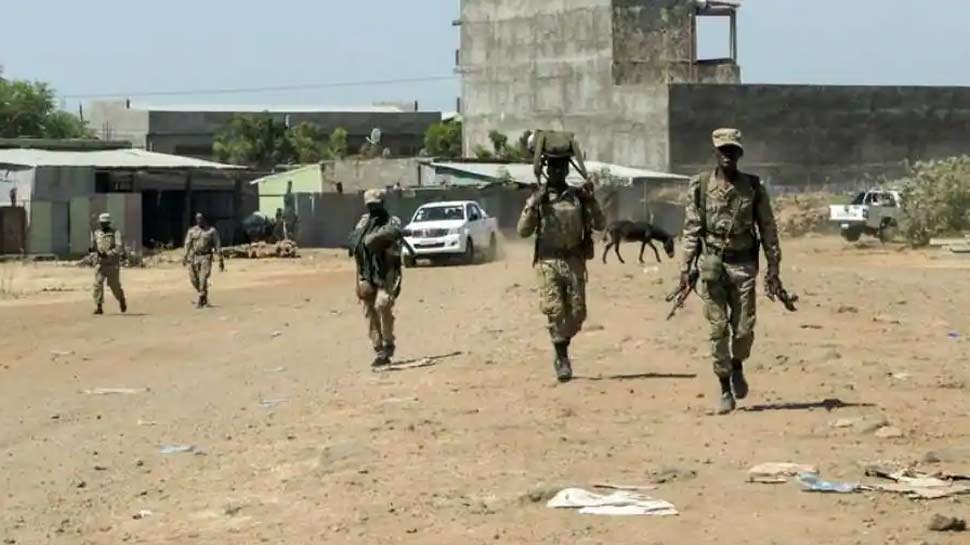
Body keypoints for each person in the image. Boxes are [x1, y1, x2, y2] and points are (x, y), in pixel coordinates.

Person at [678, 128, 784, 414]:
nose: (728, 155)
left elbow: (768, 229)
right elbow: (691, 230)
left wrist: (773, 268)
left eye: (733, 150)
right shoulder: (700, 186)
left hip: (744, 266)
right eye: (723, 150)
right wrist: (685, 268)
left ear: (740, 154)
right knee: (718, 329)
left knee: (744, 331)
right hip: (712, 266)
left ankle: (737, 365)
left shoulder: (753, 187)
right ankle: (725, 387)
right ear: (715, 153)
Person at [517, 131, 606, 382]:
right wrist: (534, 205)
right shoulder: (539, 198)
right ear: (547, 169)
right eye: (553, 167)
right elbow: (522, 231)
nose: (557, 171)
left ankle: (562, 341)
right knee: (555, 309)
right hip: (548, 261)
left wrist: (592, 201)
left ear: (567, 169)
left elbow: (601, 224)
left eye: (562, 167)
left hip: (574, 260)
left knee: (577, 314)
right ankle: (562, 358)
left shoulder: (578, 197)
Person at [348, 189, 403, 367]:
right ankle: (379, 349)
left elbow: (394, 233)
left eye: (375, 205)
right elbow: (354, 241)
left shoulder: (392, 221)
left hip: (386, 272)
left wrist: (375, 239)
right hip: (366, 273)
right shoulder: (363, 222)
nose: (373, 208)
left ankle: (388, 343)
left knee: (383, 304)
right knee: (369, 311)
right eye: (370, 205)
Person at [182, 212, 224, 308]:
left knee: (203, 278)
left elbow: (217, 245)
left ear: (205, 219)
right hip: (194, 257)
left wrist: (221, 260)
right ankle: (203, 295)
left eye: (201, 218)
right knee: (193, 279)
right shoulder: (192, 231)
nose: (199, 220)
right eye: (197, 219)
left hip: (206, 257)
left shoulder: (211, 231)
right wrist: (185, 256)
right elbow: (187, 244)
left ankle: (201, 299)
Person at [89, 212, 127, 315]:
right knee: (97, 284)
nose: (103, 225)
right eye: (102, 223)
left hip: (112, 264)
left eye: (105, 223)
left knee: (114, 285)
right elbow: (93, 247)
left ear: (108, 223)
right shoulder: (96, 233)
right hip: (100, 263)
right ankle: (99, 306)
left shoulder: (115, 233)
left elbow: (119, 247)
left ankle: (121, 299)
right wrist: (93, 253)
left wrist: (108, 254)